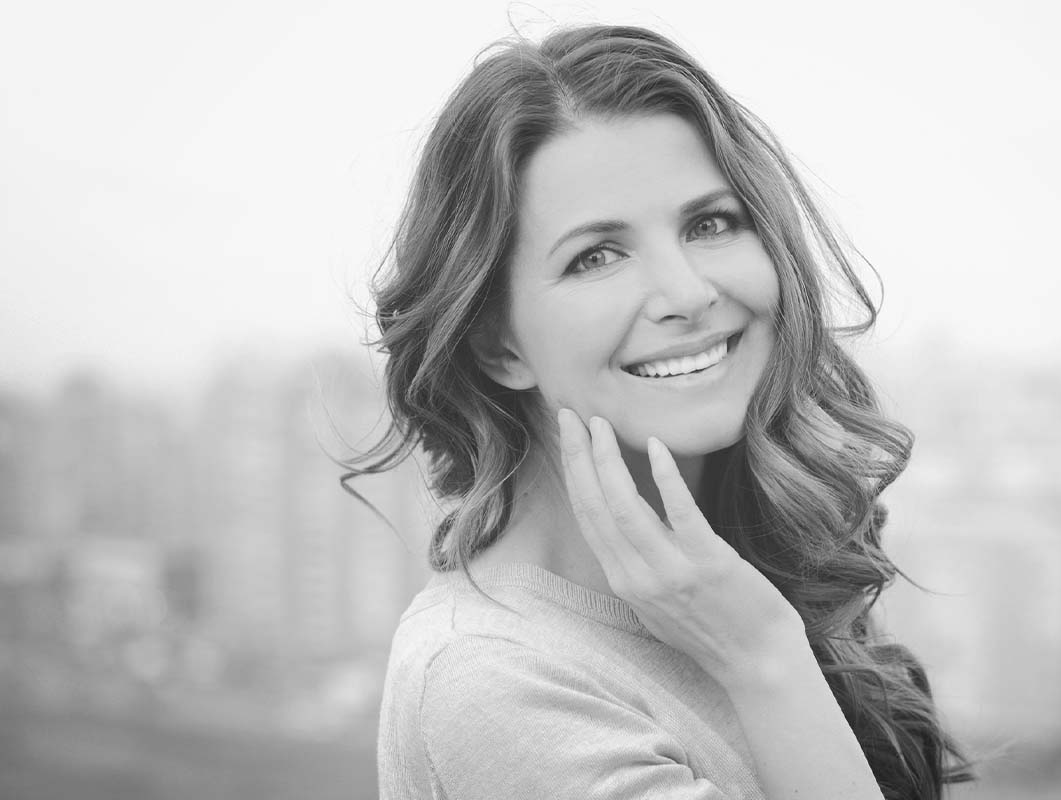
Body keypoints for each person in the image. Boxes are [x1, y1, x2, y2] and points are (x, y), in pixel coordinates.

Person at [344, 23, 974, 800]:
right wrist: (765, 661)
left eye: (710, 223)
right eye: (596, 256)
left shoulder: (745, 575)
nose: (686, 293)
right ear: (497, 347)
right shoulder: (496, 682)